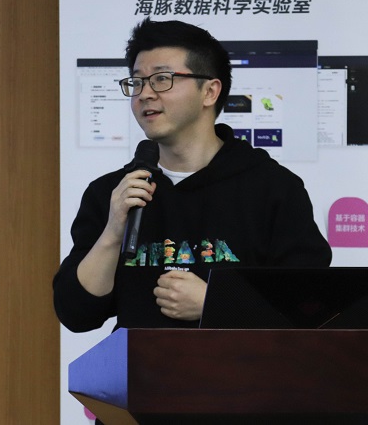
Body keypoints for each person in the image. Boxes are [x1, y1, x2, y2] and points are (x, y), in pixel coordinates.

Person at [53, 18, 331, 333]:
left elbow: (310, 307)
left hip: (243, 365)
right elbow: (76, 313)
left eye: (162, 79)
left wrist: (218, 303)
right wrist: (113, 231)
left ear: (209, 92)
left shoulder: (273, 188)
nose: (145, 94)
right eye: (137, 82)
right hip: (140, 366)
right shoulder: (115, 192)